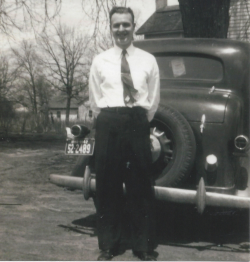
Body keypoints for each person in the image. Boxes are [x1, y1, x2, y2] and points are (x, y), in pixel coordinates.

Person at [89, 6, 160, 261]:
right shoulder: (100, 60)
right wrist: (110, 119)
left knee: (140, 184)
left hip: (137, 122)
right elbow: (95, 99)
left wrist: (137, 120)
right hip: (109, 122)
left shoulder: (147, 60)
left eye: (126, 25)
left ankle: (143, 245)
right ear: (111, 28)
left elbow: (153, 100)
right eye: (116, 25)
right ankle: (109, 244)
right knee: (107, 184)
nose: (121, 30)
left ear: (133, 26)